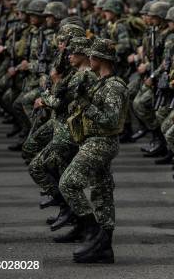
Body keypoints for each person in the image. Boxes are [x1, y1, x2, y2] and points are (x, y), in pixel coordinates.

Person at [59, 38, 128, 263]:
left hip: (101, 141)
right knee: (102, 191)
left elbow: (111, 120)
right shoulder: (100, 83)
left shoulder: (114, 86)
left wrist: (86, 105)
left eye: (91, 57)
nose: (88, 60)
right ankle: (105, 246)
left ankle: (94, 233)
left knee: (68, 183)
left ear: (98, 59)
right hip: (94, 139)